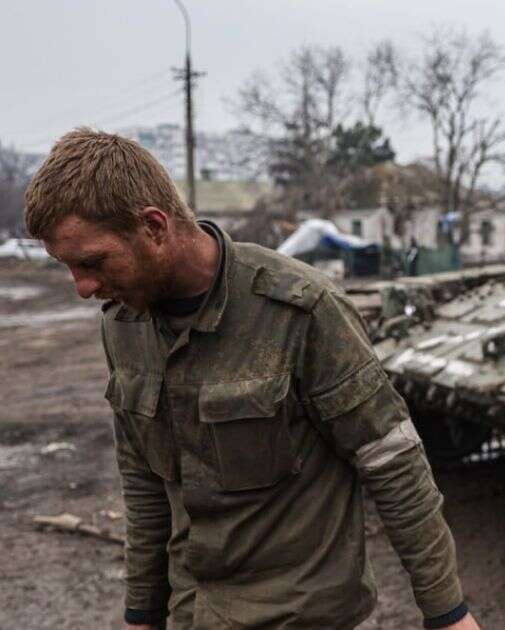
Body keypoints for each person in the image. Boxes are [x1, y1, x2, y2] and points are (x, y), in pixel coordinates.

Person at [23, 129, 481, 630]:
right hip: (193, 613)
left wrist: (447, 613)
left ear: (154, 227)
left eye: (92, 263)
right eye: (69, 268)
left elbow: (392, 461)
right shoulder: (123, 326)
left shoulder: (299, 310)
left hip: (303, 617)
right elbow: (144, 481)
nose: (83, 289)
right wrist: (141, 613)